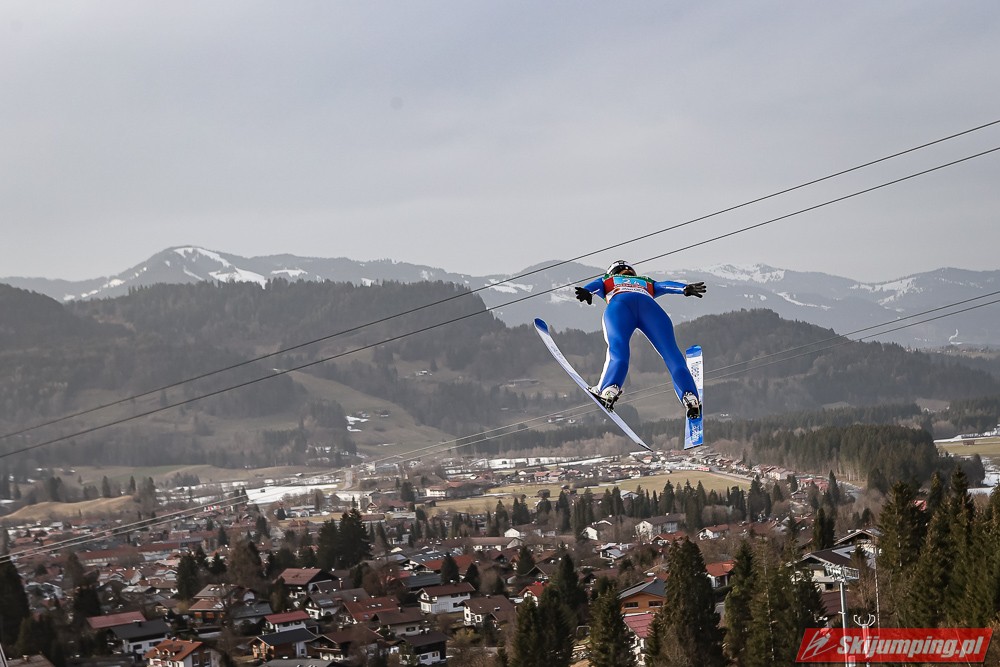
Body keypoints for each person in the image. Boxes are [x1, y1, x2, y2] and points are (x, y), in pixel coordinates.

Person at [574, 260, 706, 418]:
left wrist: (587, 291)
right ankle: (690, 398)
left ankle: (609, 389)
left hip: (620, 305)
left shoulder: (609, 279)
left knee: (618, 348)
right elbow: (665, 285)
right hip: (650, 308)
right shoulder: (645, 281)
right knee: (671, 353)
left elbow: (595, 286)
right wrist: (684, 288)